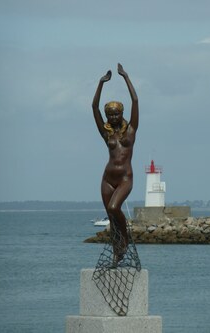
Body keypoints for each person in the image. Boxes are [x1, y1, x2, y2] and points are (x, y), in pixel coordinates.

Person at [92, 63, 139, 265]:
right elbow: (94, 107)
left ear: (121, 113)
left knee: (114, 207)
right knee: (111, 218)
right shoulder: (106, 133)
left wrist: (125, 77)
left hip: (125, 179)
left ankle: (125, 240)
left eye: (116, 114)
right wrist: (100, 83)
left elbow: (135, 100)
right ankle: (116, 252)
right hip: (107, 179)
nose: (112, 117)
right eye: (110, 114)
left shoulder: (131, 130)